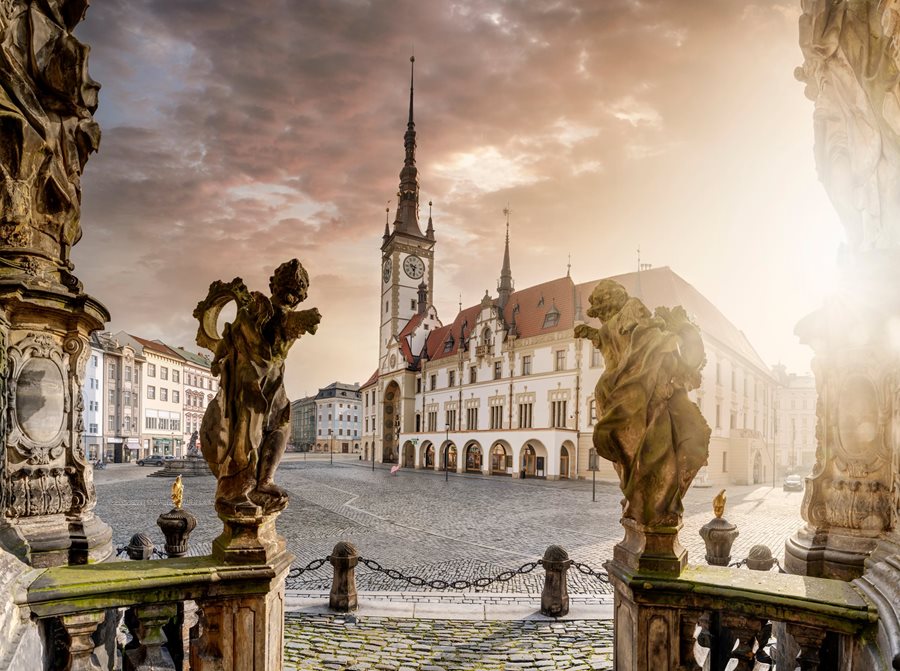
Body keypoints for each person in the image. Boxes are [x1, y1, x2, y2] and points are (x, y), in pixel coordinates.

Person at [575, 280, 709, 527]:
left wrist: (664, 333)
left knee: (640, 456)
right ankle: (652, 506)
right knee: (650, 455)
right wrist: (670, 333)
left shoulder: (623, 315)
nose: (602, 317)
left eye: (601, 310)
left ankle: (647, 505)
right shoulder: (616, 323)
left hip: (632, 396)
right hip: (641, 398)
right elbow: (641, 341)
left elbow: (643, 339)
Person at [196, 260, 321, 516]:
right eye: (287, 289)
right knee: (248, 433)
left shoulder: (284, 315)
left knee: (281, 425)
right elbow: (230, 340)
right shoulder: (255, 309)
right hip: (252, 379)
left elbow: (285, 328)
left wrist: (300, 321)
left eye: (297, 293)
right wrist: (219, 359)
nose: (291, 296)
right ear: (274, 287)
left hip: (274, 381)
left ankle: (265, 480)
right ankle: (238, 490)